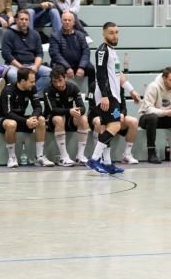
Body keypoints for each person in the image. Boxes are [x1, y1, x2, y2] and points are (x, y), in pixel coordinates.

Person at [0, 66, 55, 168]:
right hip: (2, 119)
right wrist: (26, 121)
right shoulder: (8, 90)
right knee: (12, 124)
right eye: (31, 82)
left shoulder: (31, 88)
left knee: (41, 119)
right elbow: (8, 113)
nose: (34, 84)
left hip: (19, 119)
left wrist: (33, 118)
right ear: (22, 81)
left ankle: (39, 156)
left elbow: (38, 107)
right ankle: (12, 158)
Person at [85, 22, 125, 175]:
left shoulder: (112, 51)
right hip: (107, 95)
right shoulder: (102, 50)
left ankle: (107, 163)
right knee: (115, 125)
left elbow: (116, 74)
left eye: (116, 32)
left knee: (106, 127)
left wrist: (130, 90)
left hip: (113, 95)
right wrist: (104, 95)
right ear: (104, 34)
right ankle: (94, 159)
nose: (115, 35)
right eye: (111, 33)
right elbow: (100, 74)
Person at [43, 66, 90, 166]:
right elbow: (52, 110)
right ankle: (63, 157)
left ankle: (80, 156)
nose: (58, 84)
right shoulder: (48, 90)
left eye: (60, 80)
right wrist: (69, 111)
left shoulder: (73, 88)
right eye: (55, 82)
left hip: (68, 118)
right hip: (51, 120)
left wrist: (79, 111)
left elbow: (83, 108)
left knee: (83, 119)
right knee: (59, 118)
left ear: (65, 77)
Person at [2, 10, 52, 95]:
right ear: (16, 20)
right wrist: (21, 67)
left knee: (49, 73)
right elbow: (6, 54)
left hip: (31, 64)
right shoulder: (8, 33)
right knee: (13, 75)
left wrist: (36, 66)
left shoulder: (35, 34)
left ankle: (33, 93)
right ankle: (20, 96)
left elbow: (39, 53)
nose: (24, 21)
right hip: (15, 66)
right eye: (22, 19)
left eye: (26, 19)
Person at [49, 10, 94, 80]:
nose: (67, 22)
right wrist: (68, 67)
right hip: (62, 65)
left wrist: (81, 67)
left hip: (78, 64)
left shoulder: (81, 35)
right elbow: (55, 55)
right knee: (58, 70)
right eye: (65, 20)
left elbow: (86, 52)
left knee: (91, 68)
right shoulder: (55, 36)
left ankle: (92, 87)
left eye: (69, 20)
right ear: (61, 22)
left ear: (74, 22)